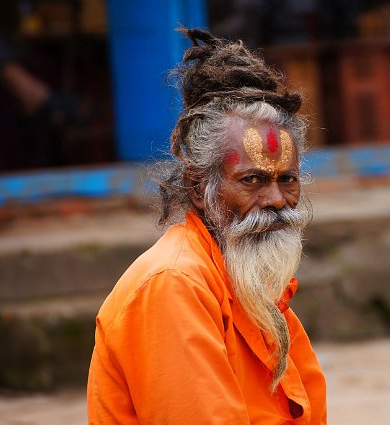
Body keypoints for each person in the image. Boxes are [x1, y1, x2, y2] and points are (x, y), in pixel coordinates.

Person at [87, 28, 327, 424]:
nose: (276, 200)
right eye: (252, 180)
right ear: (200, 189)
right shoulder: (174, 284)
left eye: (287, 178)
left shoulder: (247, 280)